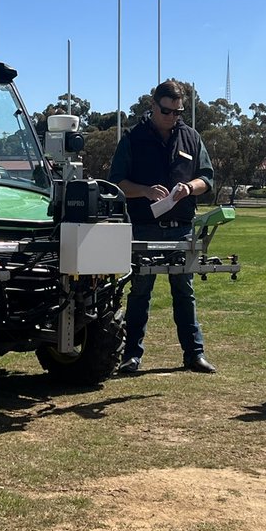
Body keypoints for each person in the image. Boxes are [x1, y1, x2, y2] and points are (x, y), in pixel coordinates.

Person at [108, 80, 217, 374]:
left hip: (181, 228)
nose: (172, 118)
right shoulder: (133, 139)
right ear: (153, 106)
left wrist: (188, 188)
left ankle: (194, 354)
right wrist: (143, 191)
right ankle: (131, 355)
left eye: (177, 113)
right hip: (144, 228)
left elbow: (207, 178)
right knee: (140, 291)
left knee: (185, 291)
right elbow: (116, 183)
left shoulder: (191, 138)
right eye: (167, 111)